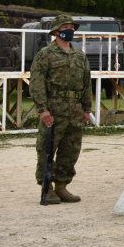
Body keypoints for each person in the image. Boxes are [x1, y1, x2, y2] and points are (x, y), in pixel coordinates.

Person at [31, 14, 93, 204]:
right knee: (47, 148)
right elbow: (36, 83)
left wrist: (86, 108)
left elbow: (86, 83)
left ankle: (62, 186)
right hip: (54, 108)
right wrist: (43, 110)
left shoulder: (79, 56)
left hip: (74, 109)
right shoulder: (45, 55)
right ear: (57, 31)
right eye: (66, 27)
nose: (70, 30)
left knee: (71, 150)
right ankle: (47, 187)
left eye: (72, 27)